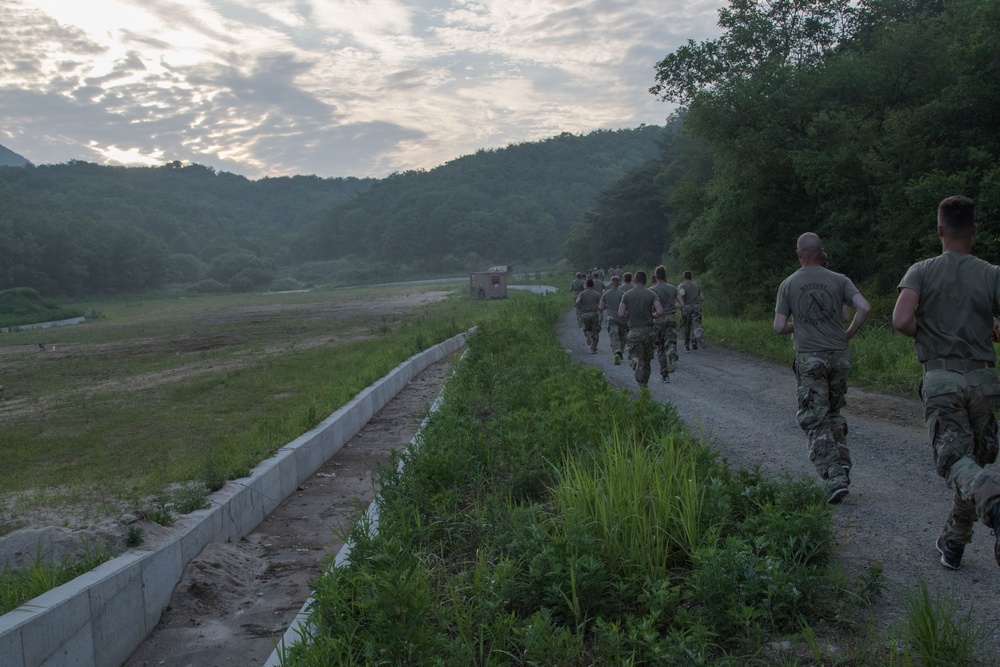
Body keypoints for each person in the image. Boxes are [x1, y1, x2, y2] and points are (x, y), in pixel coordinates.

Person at [893, 195, 1000, 570]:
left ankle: (994, 501)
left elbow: (901, 319)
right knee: (970, 467)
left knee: (956, 461)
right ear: (974, 229)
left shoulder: (921, 271)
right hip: (985, 382)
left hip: (942, 380)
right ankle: (953, 544)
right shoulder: (992, 274)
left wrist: (932, 335)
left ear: (939, 230)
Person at [774, 232, 871, 504]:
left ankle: (835, 476)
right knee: (833, 411)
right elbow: (863, 307)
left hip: (811, 358)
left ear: (799, 254)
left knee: (813, 417)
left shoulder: (789, 283)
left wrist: (799, 326)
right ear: (821, 251)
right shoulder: (840, 279)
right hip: (839, 356)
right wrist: (848, 334)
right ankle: (843, 461)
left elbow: (779, 327)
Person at [618, 271, 663, 387]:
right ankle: (644, 385)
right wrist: (653, 316)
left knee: (636, 355)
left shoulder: (626, 295)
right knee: (647, 360)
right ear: (645, 280)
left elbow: (620, 313)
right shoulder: (651, 294)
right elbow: (660, 311)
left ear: (634, 280)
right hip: (649, 332)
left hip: (634, 332)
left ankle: (634, 361)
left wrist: (630, 314)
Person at [650, 265, 682, 383]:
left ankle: (664, 375)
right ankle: (672, 352)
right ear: (665, 275)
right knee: (670, 342)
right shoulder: (672, 288)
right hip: (670, 318)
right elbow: (681, 304)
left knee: (660, 347)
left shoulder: (652, 290)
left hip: (658, 320)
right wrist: (673, 307)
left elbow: (650, 307)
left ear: (656, 276)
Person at [600, 275, 626, 365]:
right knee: (622, 336)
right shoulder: (623, 294)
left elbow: (601, 307)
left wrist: (608, 307)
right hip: (622, 318)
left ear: (611, 283)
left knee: (614, 336)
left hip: (611, 318)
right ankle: (621, 350)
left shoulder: (606, 294)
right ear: (619, 283)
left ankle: (617, 351)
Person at [678, 271, 705, 350]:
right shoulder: (696, 285)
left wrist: (679, 299)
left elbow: (682, 294)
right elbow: (702, 298)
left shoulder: (682, 285)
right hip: (696, 306)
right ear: (691, 277)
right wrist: (696, 299)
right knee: (696, 324)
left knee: (686, 326)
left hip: (686, 307)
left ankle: (686, 345)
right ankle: (695, 340)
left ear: (684, 277)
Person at [576, 278, 602, 354]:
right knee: (596, 331)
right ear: (593, 285)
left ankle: (588, 333)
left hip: (584, 314)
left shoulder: (582, 293)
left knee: (586, 328)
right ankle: (593, 348)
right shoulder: (597, 294)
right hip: (594, 314)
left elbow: (577, 302)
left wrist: (580, 308)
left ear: (586, 285)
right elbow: (600, 305)